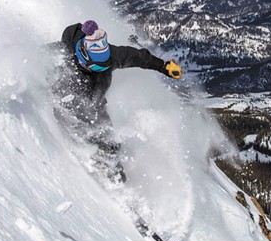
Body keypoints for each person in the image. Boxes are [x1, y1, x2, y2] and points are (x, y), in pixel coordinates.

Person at [51, 19, 182, 183]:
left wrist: (163, 66)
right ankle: (94, 176)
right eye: (98, 67)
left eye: (105, 65)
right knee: (93, 142)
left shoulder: (109, 57)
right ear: (83, 57)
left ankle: (117, 186)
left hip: (96, 109)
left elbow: (137, 57)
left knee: (111, 145)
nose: (103, 69)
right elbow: (34, 63)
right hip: (69, 112)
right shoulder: (61, 56)